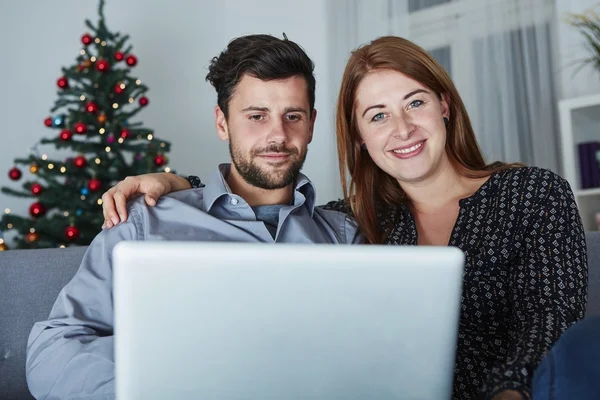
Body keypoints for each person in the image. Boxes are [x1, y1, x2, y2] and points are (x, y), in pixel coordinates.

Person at [100, 36, 588, 400]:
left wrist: (508, 392)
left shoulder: (532, 192)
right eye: (376, 115)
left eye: (414, 102)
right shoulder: (353, 224)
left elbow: (551, 316)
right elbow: (257, 196)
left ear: (443, 105)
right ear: (359, 137)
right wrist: (178, 183)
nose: (401, 129)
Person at [25, 34, 361, 400]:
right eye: (256, 116)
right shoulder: (144, 223)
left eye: (292, 116)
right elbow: (53, 352)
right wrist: (170, 381)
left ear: (310, 124)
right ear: (222, 123)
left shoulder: (343, 236)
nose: (277, 135)